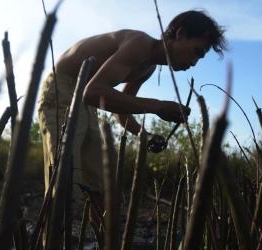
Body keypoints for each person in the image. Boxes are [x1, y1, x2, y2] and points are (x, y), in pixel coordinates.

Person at [37, 9, 227, 217]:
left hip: (84, 98)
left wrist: (145, 135)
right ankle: (50, 247)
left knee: (101, 182)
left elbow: (120, 111)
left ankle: (106, 246)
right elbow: (93, 92)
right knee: (64, 176)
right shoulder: (141, 44)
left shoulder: (148, 67)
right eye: (197, 51)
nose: (194, 62)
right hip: (63, 89)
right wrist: (158, 106)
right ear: (180, 34)